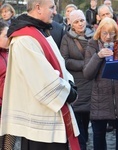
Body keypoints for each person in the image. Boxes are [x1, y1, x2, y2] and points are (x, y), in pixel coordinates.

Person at [0, 0, 80, 150]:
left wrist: (69, 84)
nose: (55, 12)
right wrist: (69, 92)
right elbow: (41, 78)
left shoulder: (37, 31)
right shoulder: (24, 38)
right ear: (38, 7)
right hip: (40, 119)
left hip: (49, 113)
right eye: (51, 7)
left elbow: (59, 62)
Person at [83, 17, 118, 150]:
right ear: (99, 32)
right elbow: (87, 74)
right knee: (99, 137)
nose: (108, 37)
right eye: (105, 33)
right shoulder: (92, 46)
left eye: (112, 33)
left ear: (116, 32)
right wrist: (98, 56)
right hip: (100, 99)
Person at [60, 9, 94, 150]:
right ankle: (81, 146)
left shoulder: (94, 36)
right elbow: (64, 60)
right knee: (78, 120)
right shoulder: (67, 38)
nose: (80, 24)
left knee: (88, 120)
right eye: (76, 22)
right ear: (71, 24)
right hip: (78, 85)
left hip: (93, 83)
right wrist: (85, 64)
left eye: (82, 20)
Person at [0, 20, 16, 150]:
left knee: (9, 146)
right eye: (6, 35)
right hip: (2, 108)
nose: (10, 38)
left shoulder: (10, 52)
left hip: (11, 108)